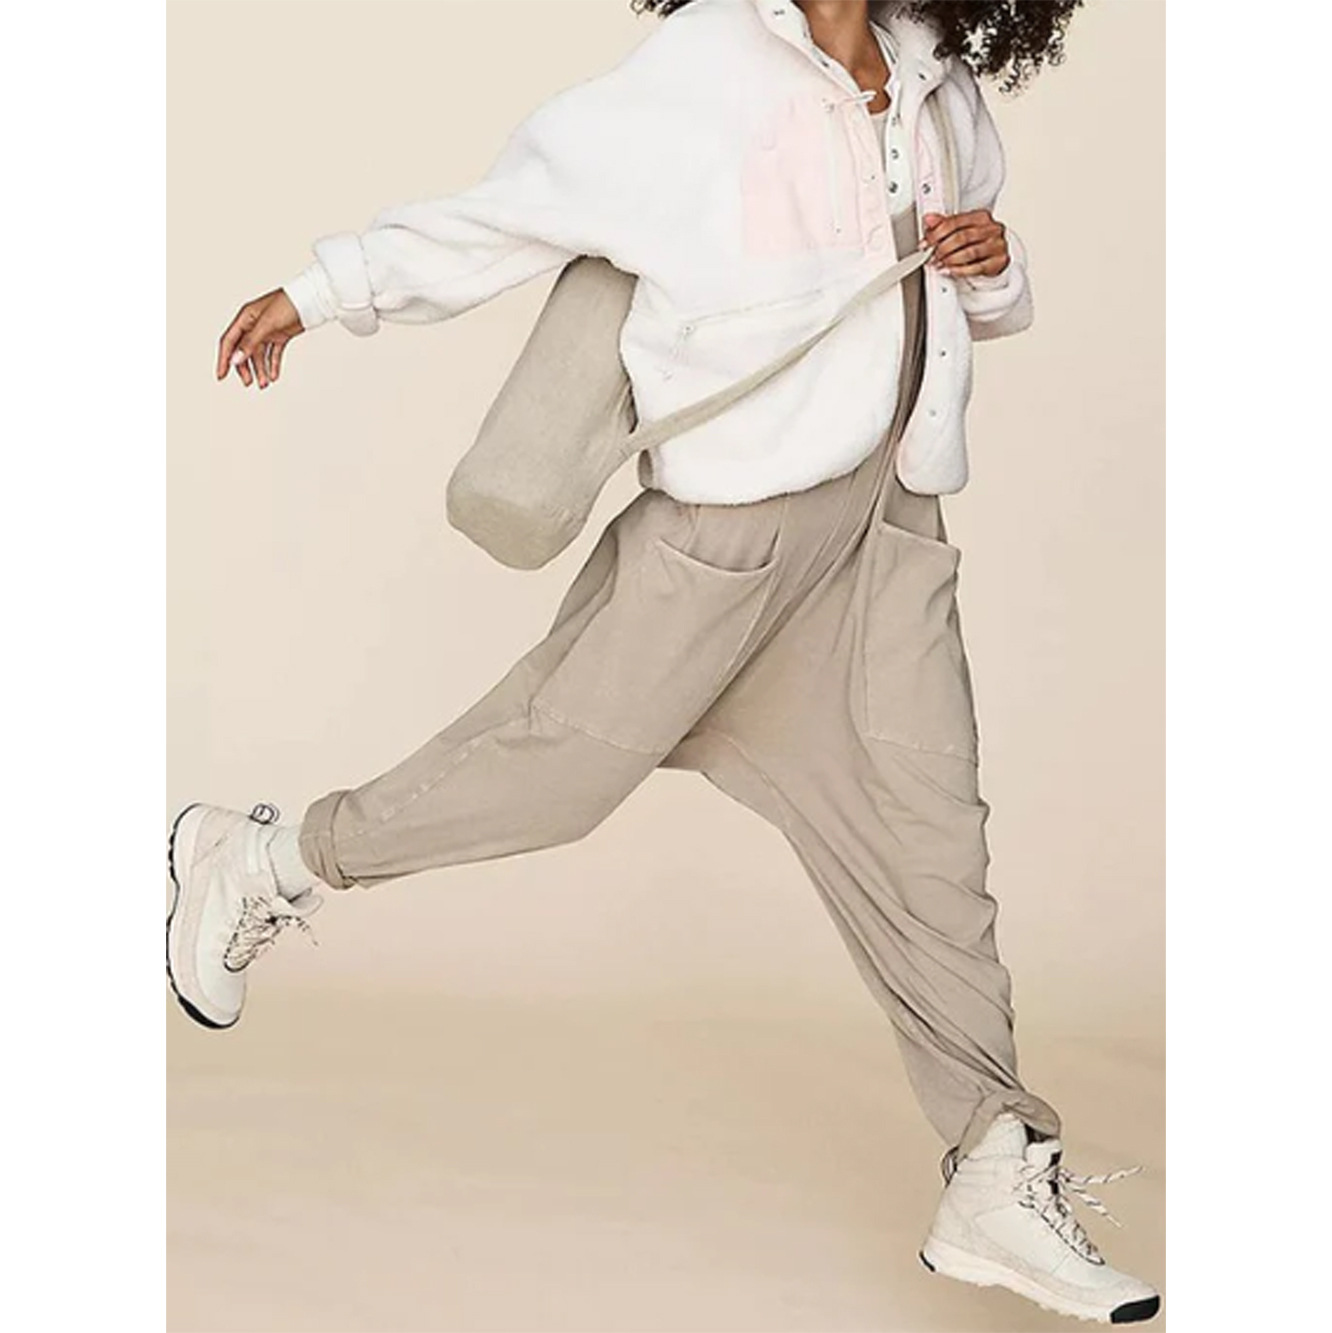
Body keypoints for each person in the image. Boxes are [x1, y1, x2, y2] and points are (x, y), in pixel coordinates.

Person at [167, 0, 1160, 1323]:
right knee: (547, 778)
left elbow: (985, 300)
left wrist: (994, 262)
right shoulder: (704, 66)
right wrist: (320, 293)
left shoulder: (938, 76)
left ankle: (993, 1158)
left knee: (940, 846)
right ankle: (265, 860)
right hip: (724, 548)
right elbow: (513, 214)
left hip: (884, 534)